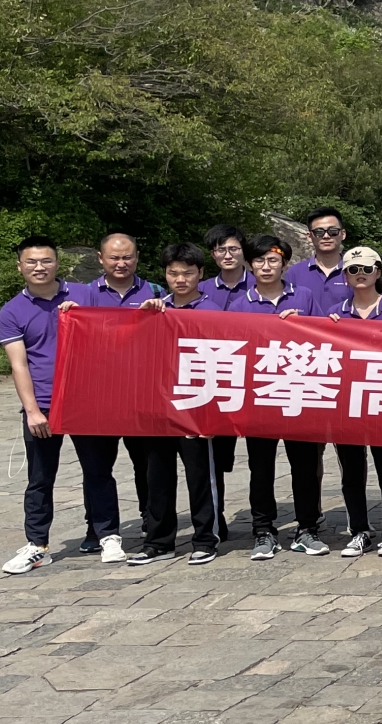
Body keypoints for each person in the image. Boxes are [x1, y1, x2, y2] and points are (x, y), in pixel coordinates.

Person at [0, 237, 123, 574]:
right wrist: (32, 411)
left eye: (46, 261)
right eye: (32, 262)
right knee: (40, 479)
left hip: (86, 402)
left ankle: (108, 535)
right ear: (20, 266)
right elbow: (19, 365)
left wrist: (85, 317)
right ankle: (37, 545)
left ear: (57, 264)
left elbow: (115, 331)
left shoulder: (85, 295)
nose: (39, 267)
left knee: (98, 472)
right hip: (43, 405)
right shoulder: (12, 311)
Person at [233, 234, 331, 561]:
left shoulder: (303, 296)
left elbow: (325, 337)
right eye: (259, 260)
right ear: (250, 265)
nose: (266, 266)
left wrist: (311, 325)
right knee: (260, 468)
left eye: (273, 260)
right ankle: (263, 530)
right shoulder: (241, 304)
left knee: (304, 466)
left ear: (284, 264)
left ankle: (307, 528)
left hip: (299, 394)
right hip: (259, 398)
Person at [127, 243, 226, 567]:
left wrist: (214, 413)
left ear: (200, 273)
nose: (180, 279)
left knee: (200, 477)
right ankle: (159, 541)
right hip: (159, 408)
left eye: (187, 273)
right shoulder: (156, 310)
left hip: (197, 407)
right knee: (157, 477)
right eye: (173, 273)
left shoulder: (212, 311)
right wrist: (146, 316)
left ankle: (205, 539)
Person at [70, 232, 163, 521]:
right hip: (100, 395)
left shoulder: (156, 292)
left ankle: (150, 517)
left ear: (137, 258)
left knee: (147, 463)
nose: (121, 263)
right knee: (97, 466)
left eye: (127, 257)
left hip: (143, 395)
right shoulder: (84, 295)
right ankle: (98, 526)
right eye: (114, 257)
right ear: (101, 259)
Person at [324, 247, 382, 559]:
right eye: (353, 269)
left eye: (367, 269)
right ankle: (359, 531)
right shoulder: (335, 313)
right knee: (351, 471)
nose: (360, 274)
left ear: (378, 272)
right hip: (346, 403)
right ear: (344, 276)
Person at [285, 207, 351, 317]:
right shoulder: (294, 273)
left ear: (343, 234)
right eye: (319, 232)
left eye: (333, 231)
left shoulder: (355, 271)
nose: (326, 236)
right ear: (309, 236)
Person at [201, 224, 251, 307]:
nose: (228, 256)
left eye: (233, 249)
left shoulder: (259, 286)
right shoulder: (201, 290)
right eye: (221, 250)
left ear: (243, 251)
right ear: (213, 254)